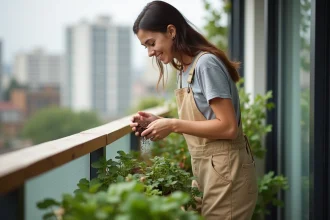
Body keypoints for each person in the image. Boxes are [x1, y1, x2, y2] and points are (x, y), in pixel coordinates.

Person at [130, 1, 257, 219]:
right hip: (207, 171)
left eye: (151, 43)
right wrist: (159, 121)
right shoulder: (184, 70)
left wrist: (172, 124)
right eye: (146, 47)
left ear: (171, 31)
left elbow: (227, 127)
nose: (150, 52)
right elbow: (205, 120)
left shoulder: (205, 64)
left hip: (227, 172)